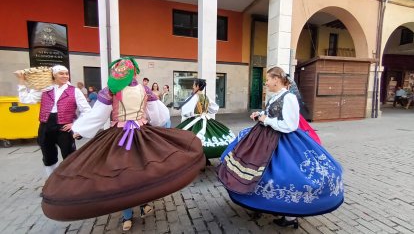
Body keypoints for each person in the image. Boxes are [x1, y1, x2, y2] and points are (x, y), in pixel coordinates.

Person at [41, 58, 205, 232]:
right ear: (134, 72)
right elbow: (159, 115)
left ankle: (128, 215)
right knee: (143, 170)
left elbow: (98, 116)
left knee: (121, 177)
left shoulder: (110, 91)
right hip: (142, 133)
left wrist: (79, 128)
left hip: (118, 137)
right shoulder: (144, 89)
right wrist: (153, 125)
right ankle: (142, 205)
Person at [218, 66, 344, 229]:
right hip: (265, 137)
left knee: (286, 175)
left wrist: (266, 120)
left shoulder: (289, 98)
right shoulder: (276, 96)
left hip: (282, 141)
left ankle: (290, 215)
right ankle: (261, 204)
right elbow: (272, 114)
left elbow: (290, 125)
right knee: (260, 172)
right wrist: (260, 115)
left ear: (277, 79)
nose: (266, 83)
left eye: (268, 79)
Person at [14, 65, 91, 177]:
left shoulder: (74, 91)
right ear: (54, 75)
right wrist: (21, 80)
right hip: (45, 126)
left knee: (69, 156)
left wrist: (74, 124)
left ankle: (71, 183)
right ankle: (52, 182)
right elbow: (25, 99)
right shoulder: (45, 89)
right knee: (48, 156)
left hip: (64, 127)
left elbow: (87, 111)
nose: (65, 76)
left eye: (66, 73)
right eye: (61, 73)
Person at [176, 79, 235, 164]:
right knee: (207, 138)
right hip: (206, 120)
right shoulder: (206, 97)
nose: (192, 86)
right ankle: (205, 159)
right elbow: (214, 109)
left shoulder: (193, 97)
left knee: (191, 139)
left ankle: (197, 159)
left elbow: (186, 111)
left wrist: (189, 115)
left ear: (197, 86)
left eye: (194, 85)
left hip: (195, 120)